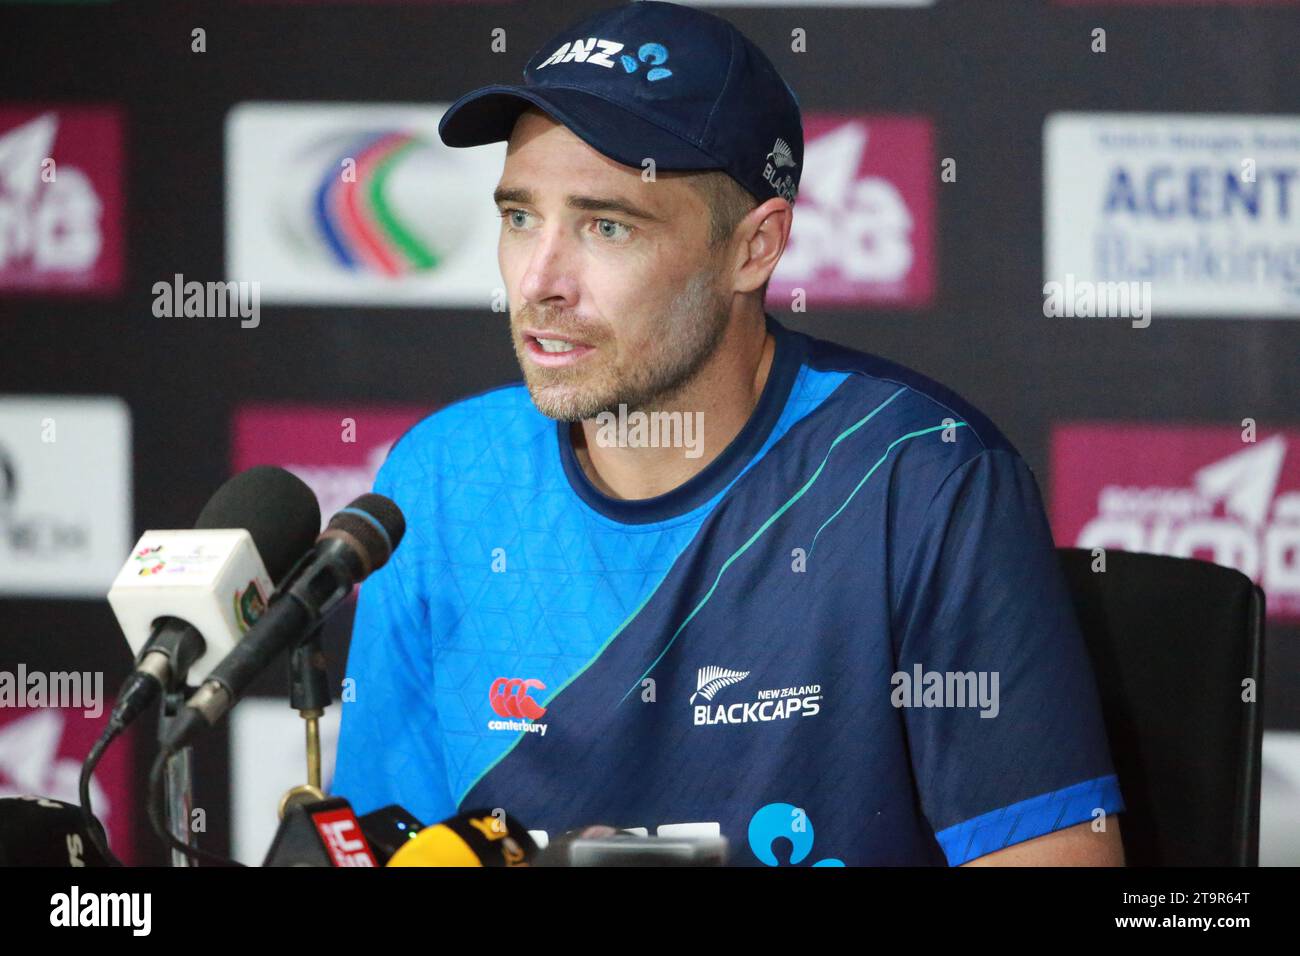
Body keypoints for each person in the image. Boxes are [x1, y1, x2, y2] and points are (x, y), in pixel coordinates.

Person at [331, 0, 1125, 866]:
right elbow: (381, 844)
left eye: (606, 226)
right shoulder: (440, 480)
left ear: (754, 249)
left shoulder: (921, 478)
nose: (540, 280)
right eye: (520, 217)